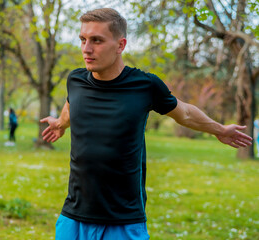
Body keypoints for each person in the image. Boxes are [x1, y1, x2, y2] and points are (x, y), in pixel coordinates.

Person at [40, 8, 252, 240]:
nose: (86, 49)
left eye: (96, 41)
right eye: (83, 40)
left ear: (121, 45)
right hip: (74, 216)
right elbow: (72, 105)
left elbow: (185, 114)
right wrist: (61, 123)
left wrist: (219, 129)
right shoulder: (76, 80)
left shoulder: (145, 85)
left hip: (123, 219)